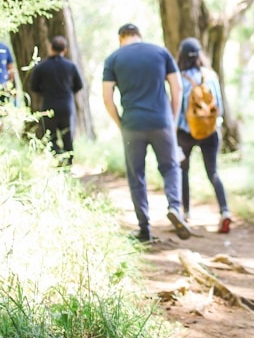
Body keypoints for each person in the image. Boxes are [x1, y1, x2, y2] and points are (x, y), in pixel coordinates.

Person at [102, 23, 191, 243]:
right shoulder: (160, 52)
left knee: (137, 176)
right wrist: (171, 119)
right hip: (161, 122)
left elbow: (107, 97)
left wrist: (119, 123)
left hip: (132, 125)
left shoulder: (113, 58)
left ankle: (144, 229)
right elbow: (177, 88)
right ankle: (175, 207)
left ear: (121, 37)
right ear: (139, 36)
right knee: (171, 168)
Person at [176, 37, 231, 233]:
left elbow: (177, 109)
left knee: (183, 170)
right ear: (199, 55)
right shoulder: (211, 76)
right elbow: (220, 108)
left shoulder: (179, 78)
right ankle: (225, 211)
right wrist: (216, 125)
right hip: (210, 131)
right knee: (213, 172)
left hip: (185, 132)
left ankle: (185, 212)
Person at [31, 36, 83, 166]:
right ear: (64, 50)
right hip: (66, 106)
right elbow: (79, 85)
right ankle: (68, 164)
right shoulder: (71, 66)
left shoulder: (41, 67)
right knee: (68, 136)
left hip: (49, 106)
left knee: (51, 137)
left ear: (51, 48)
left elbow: (33, 87)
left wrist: (45, 90)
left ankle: (58, 160)